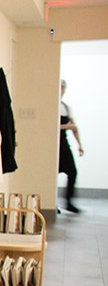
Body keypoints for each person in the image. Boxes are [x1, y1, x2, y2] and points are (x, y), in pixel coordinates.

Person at [58, 79, 84, 213]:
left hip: (64, 144)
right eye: (59, 87)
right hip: (54, 144)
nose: (61, 90)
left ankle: (68, 202)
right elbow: (51, 126)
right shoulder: (52, 106)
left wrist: (80, 145)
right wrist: (68, 126)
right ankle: (52, 203)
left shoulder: (67, 108)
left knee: (72, 172)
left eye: (63, 87)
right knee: (52, 174)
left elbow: (75, 128)